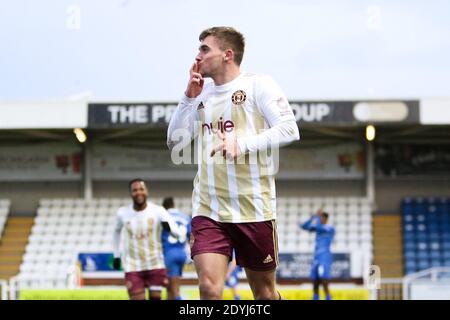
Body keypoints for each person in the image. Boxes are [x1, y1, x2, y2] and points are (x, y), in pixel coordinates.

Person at [167, 26, 300, 300]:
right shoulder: (201, 93)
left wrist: (241, 144)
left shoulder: (257, 85)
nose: (198, 55)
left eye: (205, 48)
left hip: (254, 208)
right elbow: (174, 140)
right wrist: (188, 97)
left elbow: (289, 129)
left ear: (227, 54)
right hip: (209, 208)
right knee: (209, 288)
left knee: (264, 294)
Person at [112, 179, 181, 300]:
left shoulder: (158, 211)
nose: (138, 192)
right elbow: (116, 232)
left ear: (146, 191)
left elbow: (177, 234)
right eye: (135, 190)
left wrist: (169, 228)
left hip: (155, 264)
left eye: (141, 189)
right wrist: (116, 255)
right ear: (130, 193)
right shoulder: (123, 213)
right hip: (133, 266)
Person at [300, 208, 335, 300]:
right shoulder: (318, 228)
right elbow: (303, 226)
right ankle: (315, 298)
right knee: (315, 281)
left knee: (324, 279)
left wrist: (316, 218)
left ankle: (328, 297)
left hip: (325, 256)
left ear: (326, 219)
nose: (320, 219)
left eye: (322, 218)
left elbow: (320, 227)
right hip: (316, 257)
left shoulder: (330, 228)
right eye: (320, 218)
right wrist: (313, 217)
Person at [161, 197, 192, 300]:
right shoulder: (185, 217)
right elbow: (190, 237)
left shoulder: (164, 217)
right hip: (182, 253)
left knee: (174, 290)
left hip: (169, 253)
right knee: (171, 287)